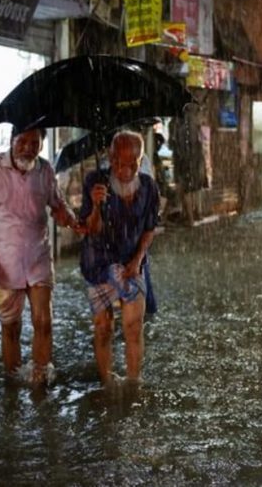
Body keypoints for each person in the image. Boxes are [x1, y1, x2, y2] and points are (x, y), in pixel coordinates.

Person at [0, 127, 84, 384]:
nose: (28, 147)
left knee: (43, 321)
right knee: (11, 327)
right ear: (11, 140)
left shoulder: (45, 170)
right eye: (23, 141)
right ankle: (13, 383)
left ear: (41, 145)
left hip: (38, 256)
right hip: (3, 262)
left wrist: (69, 218)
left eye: (35, 142)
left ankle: (40, 380)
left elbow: (57, 204)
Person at [80, 131, 160, 384]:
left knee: (133, 326)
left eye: (131, 164)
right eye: (118, 163)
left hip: (131, 263)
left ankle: (133, 384)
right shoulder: (95, 181)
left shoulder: (148, 187)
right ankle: (106, 382)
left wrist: (137, 260)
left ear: (141, 160)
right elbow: (91, 229)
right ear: (110, 158)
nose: (124, 170)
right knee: (103, 328)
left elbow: (150, 228)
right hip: (99, 263)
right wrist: (95, 206)